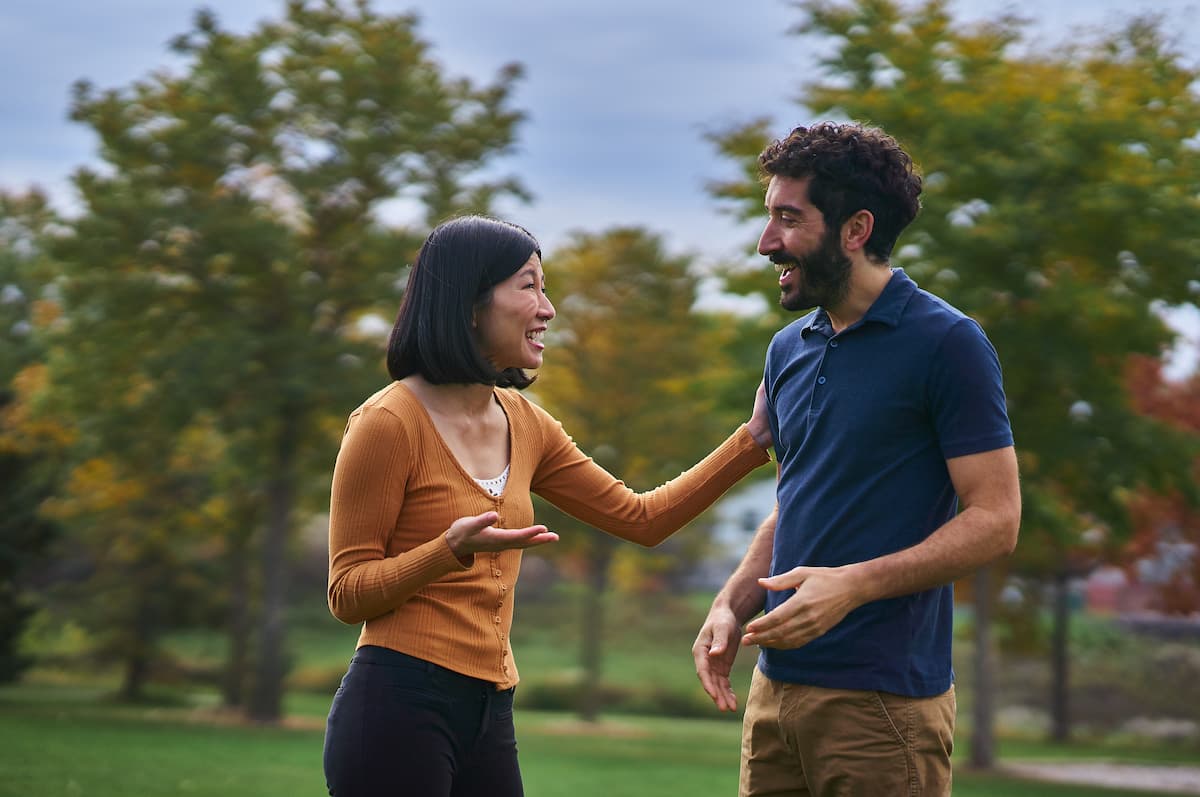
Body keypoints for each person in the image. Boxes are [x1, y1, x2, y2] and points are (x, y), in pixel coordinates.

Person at [322, 214, 772, 797]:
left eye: (545, 286)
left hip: (491, 708)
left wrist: (752, 439)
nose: (548, 308)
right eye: (529, 285)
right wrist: (447, 550)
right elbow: (347, 592)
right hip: (397, 706)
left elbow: (642, 518)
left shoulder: (525, 423)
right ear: (471, 304)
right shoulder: (386, 424)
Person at [692, 122, 1021, 797]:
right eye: (768, 217)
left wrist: (854, 584)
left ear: (855, 229)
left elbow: (996, 517)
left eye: (788, 218)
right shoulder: (789, 347)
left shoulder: (947, 344)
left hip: (883, 707)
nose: (766, 242)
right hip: (776, 695)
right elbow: (801, 500)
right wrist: (733, 600)